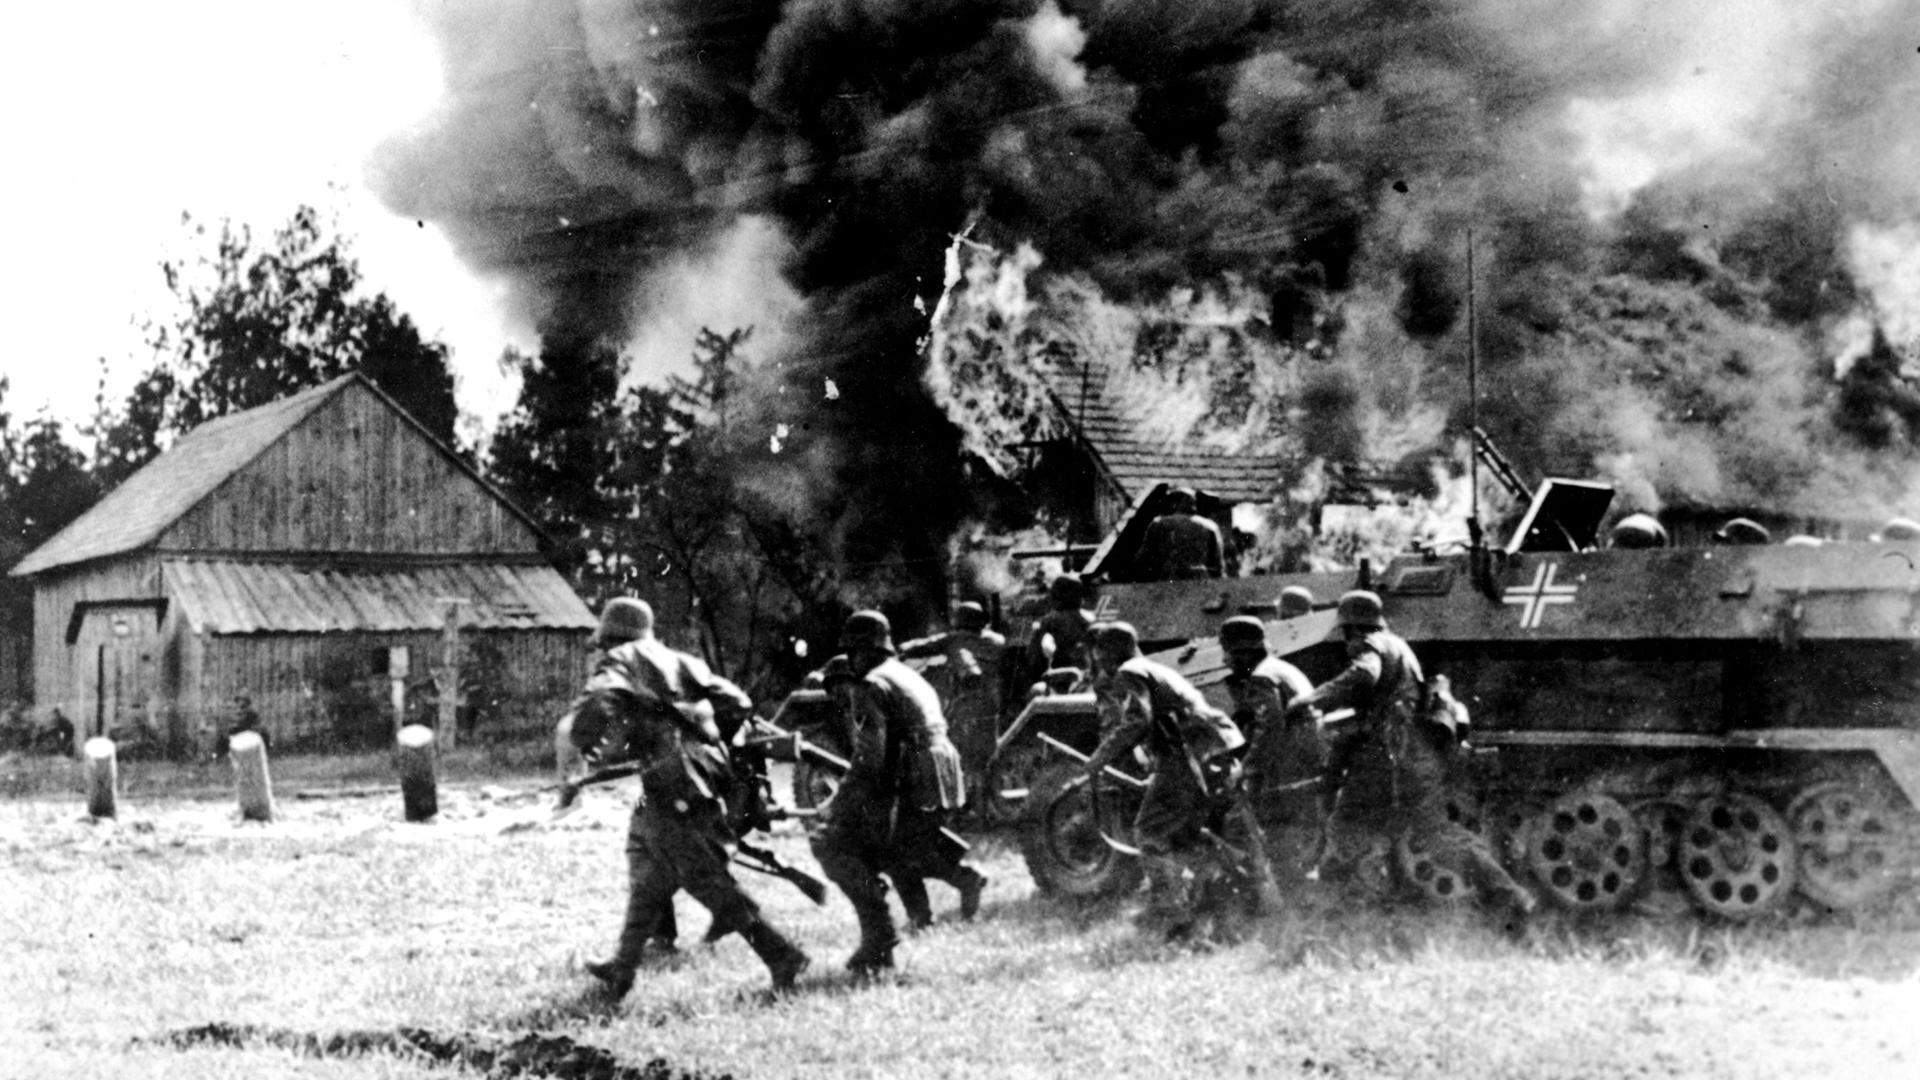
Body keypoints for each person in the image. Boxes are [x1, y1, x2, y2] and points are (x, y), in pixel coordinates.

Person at [571, 597, 809, 997]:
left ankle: (781, 953)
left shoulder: (622, 659)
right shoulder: (682, 660)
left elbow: (597, 704)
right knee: (647, 868)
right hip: (698, 775)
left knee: (704, 879)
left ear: (611, 635)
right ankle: (622, 967)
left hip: (671, 782)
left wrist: (590, 742)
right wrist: (701, 740)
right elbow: (738, 702)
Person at [1285, 591, 1535, 930]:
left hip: (1387, 759)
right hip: (1416, 755)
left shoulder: (1370, 645)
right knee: (1438, 837)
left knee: (1345, 825)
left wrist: (1310, 699)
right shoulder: (1399, 646)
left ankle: (1322, 920)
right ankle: (1513, 897)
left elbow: (1363, 676)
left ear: (1351, 628)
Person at [811, 611, 986, 974]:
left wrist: (838, 805)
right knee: (900, 847)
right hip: (938, 767)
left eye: (853, 651)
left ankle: (889, 933)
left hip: (916, 771)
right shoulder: (905, 673)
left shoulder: (873, 685)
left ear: (861, 650)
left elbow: (869, 758)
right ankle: (926, 913)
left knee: (853, 845)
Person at [1081, 621, 1277, 936]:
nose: (1098, 662)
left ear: (1106, 653)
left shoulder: (1130, 671)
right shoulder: (1152, 667)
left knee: (1149, 832)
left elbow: (1136, 721)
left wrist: (1099, 758)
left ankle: (1172, 914)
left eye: (1099, 655)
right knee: (1189, 833)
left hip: (1188, 754)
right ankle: (1236, 896)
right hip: (1209, 747)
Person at [1220, 616, 1322, 887]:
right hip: (1305, 756)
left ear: (1244, 653)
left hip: (1288, 763)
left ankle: (1270, 891)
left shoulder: (1262, 678)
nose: (1224, 661)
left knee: (1263, 825)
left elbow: (1270, 729)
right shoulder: (1282, 668)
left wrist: (1245, 768)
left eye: (1228, 653)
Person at [899, 601, 1007, 786]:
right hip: (994, 700)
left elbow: (925, 647)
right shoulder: (996, 640)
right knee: (985, 754)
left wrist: (903, 650)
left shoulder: (955, 639)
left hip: (966, 702)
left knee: (961, 753)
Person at [1135, 487, 1225, 580]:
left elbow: (1144, 557)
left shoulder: (1160, 523)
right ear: (1192, 503)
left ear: (1173, 503)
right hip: (1199, 580)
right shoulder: (1209, 526)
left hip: (1169, 578)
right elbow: (1217, 563)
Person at [1026, 573, 1094, 681]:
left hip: (1058, 677)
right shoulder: (1091, 619)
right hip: (1086, 675)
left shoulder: (1049, 621)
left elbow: (1032, 657)